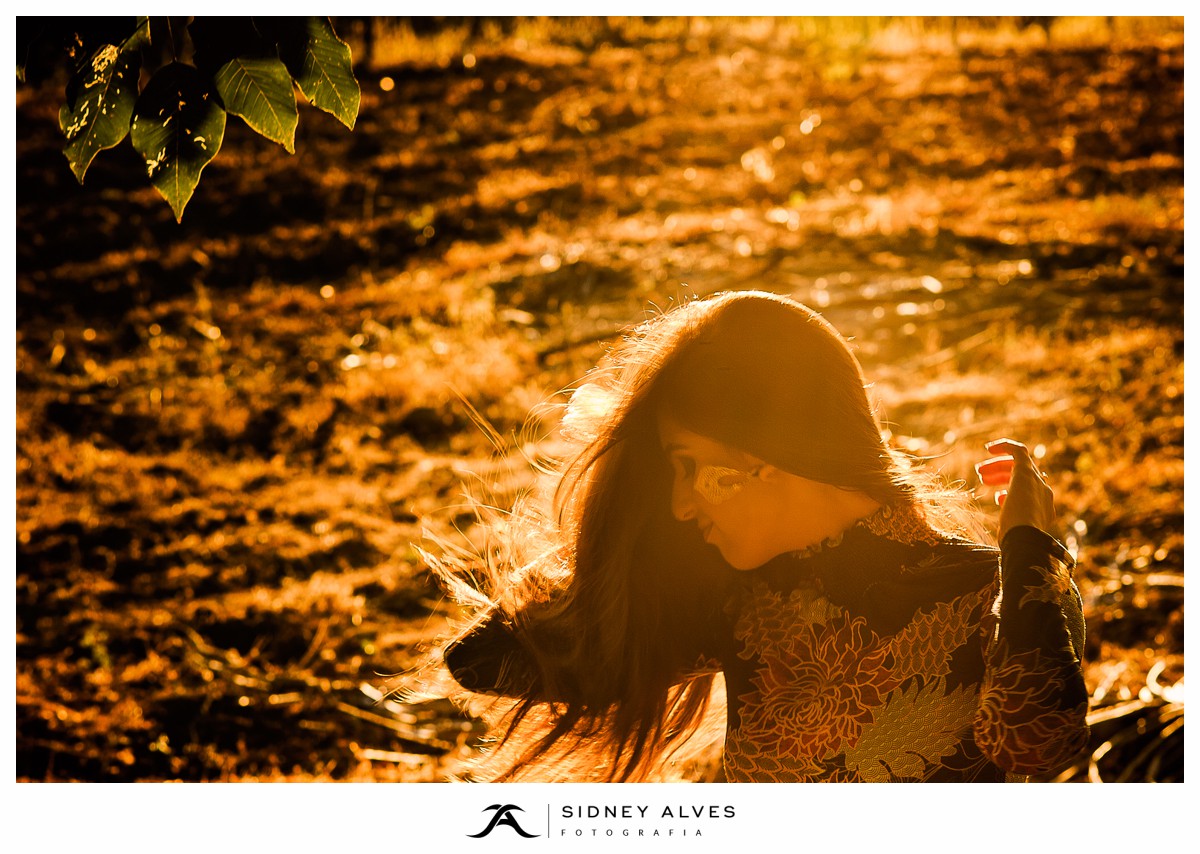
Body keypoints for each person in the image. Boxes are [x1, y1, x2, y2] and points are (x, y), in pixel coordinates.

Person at [421, 289, 1089, 782]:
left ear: (767, 453)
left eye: (688, 468)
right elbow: (485, 665)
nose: (680, 505)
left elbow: (1041, 744)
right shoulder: (742, 607)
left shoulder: (992, 594)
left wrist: (1032, 553)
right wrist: (618, 560)